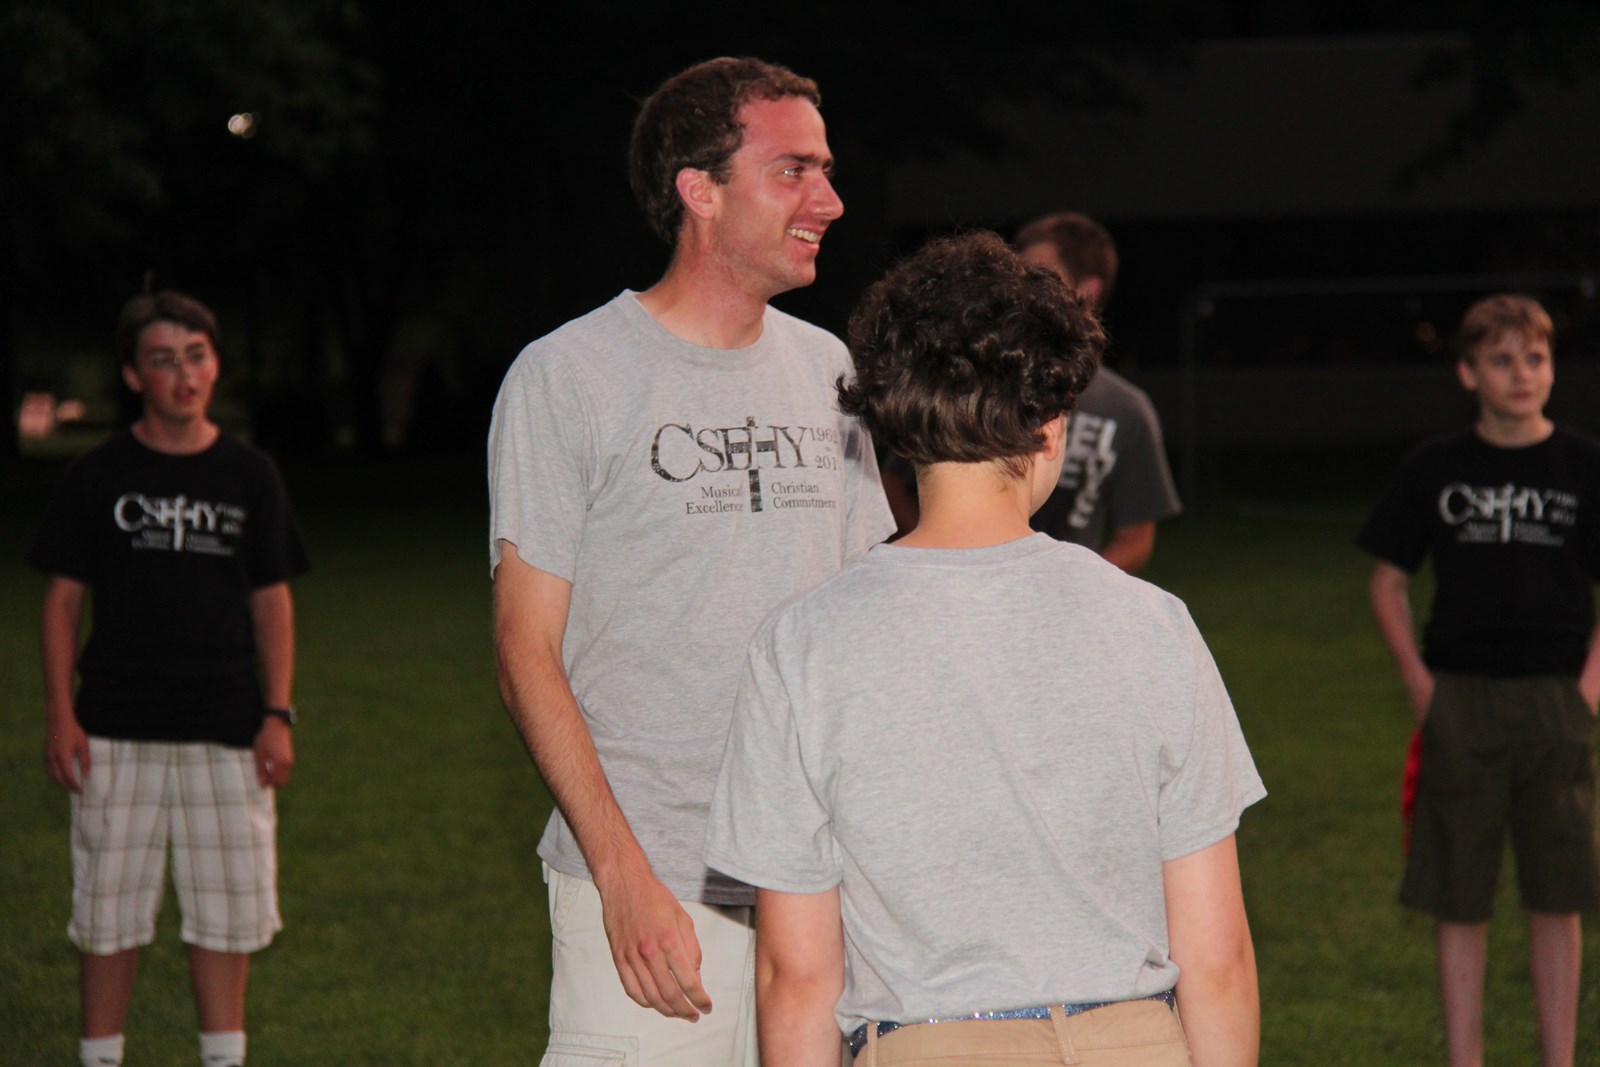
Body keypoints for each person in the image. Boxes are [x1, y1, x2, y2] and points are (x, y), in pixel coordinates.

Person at [705, 231, 1264, 1067]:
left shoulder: (803, 645)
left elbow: (796, 975)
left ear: (893, 422)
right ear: (1051, 426)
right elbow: (1216, 959)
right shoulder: (1154, 623)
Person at [487, 57, 894, 1066]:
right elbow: (525, 648)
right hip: (653, 884)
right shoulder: (568, 375)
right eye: (793, 170)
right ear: (699, 191)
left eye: (827, 171)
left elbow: (871, 621)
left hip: (818, 881)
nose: (829, 201)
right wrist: (622, 876)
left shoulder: (828, 370)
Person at [29, 290, 309, 1067]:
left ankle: (223, 1057)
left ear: (214, 365)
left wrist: (277, 713)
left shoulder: (249, 474)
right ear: (132, 375)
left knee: (226, 914)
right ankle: (100, 1056)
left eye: (195, 356)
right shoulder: (97, 474)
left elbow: (272, 600)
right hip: (115, 728)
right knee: (108, 914)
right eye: (161, 360)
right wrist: (61, 715)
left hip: (228, 727)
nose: (183, 375)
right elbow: (61, 602)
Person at [1357, 293, 1600, 1067]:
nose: (1521, 373)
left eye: (1536, 357)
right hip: (1460, 698)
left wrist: (1589, 689)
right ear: (1468, 372)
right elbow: (1386, 581)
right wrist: (1419, 682)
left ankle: (1559, 1057)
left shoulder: (1583, 465)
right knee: (1459, 896)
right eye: (1501, 359)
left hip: (1557, 699)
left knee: (1557, 894)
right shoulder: (1437, 466)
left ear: (1552, 368)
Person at [1013, 211, 1181, 573]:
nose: (1018, 290)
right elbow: (896, 484)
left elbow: (1135, 539)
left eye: (1039, 276)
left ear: (1088, 290)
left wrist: (1076, 587)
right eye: (1017, 275)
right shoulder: (980, 382)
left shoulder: (1126, 409)